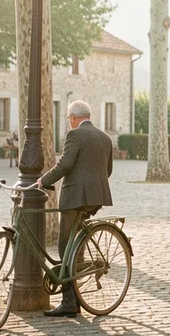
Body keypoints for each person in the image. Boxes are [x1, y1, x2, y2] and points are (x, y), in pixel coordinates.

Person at [36, 100, 113, 318]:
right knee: (76, 247)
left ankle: (69, 302)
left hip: (75, 198)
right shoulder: (105, 137)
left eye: (68, 118)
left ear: (73, 117)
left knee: (65, 247)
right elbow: (107, 170)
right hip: (96, 198)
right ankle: (76, 296)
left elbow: (65, 165)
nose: (69, 121)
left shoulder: (75, 135)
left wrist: (43, 181)